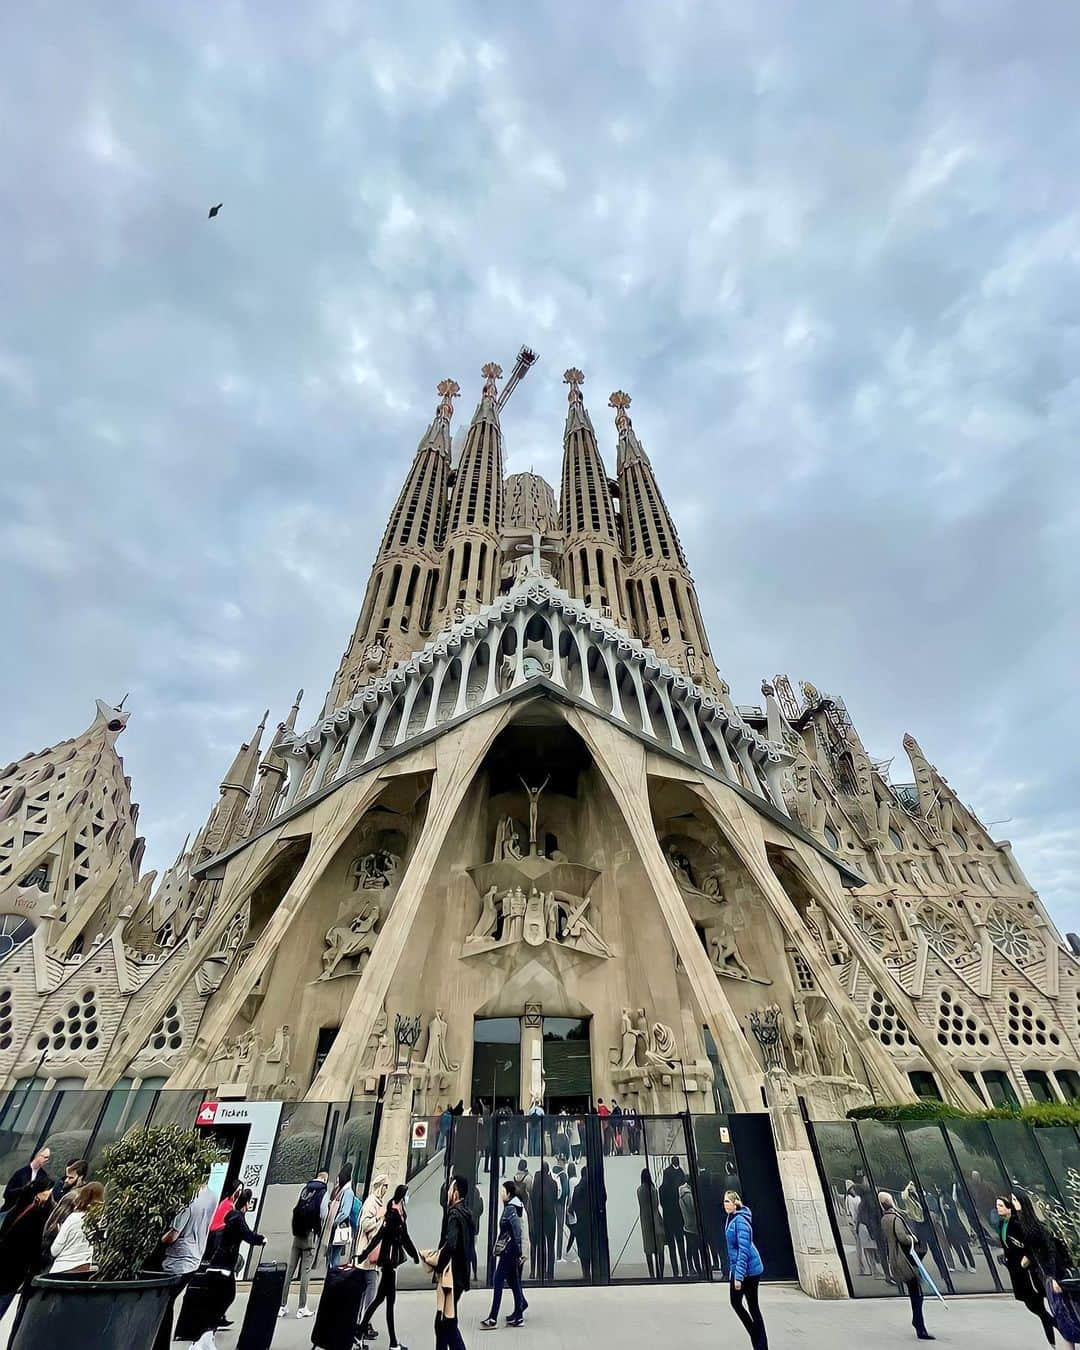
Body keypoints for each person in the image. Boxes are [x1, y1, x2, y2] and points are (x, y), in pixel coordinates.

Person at [194, 1187, 265, 1349]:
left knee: (219, 1299)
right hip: (224, 1266)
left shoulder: (231, 1215)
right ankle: (206, 1335)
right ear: (246, 1203)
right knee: (226, 1297)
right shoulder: (238, 1218)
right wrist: (262, 1239)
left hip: (217, 1263)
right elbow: (249, 1236)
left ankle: (205, 1336)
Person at [154, 1177, 218, 1350]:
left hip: (178, 1260)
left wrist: (157, 1240)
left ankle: (160, 1344)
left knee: (164, 1304)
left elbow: (172, 1235)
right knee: (169, 1302)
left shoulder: (188, 1201)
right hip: (196, 1255)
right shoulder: (212, 1196)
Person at [357, 1183, 420, 1350]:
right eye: (406, 1195)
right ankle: (392, 1343)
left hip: (389, 1264)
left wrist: (414, 1254)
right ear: (402, 1197)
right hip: (388, 1264)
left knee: (380, 1300)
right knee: (389, 1302)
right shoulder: (393, 1215)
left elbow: (404, 1237)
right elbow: (380, 1236)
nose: (408, 1198)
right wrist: (365, 1253)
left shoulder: (398, 1213)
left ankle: (360, 1330)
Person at [997, 1193, 1057, 1345]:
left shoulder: (1018, 1223)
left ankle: (1056, 1330)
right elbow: (1007, 1244)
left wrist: (1027, 1257)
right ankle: (1054, 1330)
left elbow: (1033, 1243)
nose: (997, 1208)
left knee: (1037, 1305)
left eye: (1001, 1205)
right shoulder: (1002, 1224)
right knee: (1034, 1307)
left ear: (1009, 1208)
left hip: (1026, 1270)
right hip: (1015, 1268)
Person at [879, 1190, 933, 1341]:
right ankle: (919, 1326)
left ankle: (918, 1322)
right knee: (917, 1293)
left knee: (914, 1290)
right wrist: (913, 1238)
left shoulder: (884, 1219)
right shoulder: (895, 1219)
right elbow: (902, 1238)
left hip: (895, 1259)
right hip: (904, 1259)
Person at [0, 1175, 55, 1319]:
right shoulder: (36, 1216)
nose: (49, 1194)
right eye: (48, 1191)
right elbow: (33, 1248)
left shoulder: (17, 1209)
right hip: (13, 1272)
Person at [280, 1168, 329, 1320]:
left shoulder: (305, 1189)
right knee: (305, 1273)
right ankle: (302, 1307)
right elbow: (323, 1213)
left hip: (298, 1234)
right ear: (325, 1179)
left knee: (290, 1270)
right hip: (310, 1235)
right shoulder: (323, 1193)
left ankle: (282, 1305)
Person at [434, 1175, 475, 1350]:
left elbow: (451, 1244)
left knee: (446, 1322)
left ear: (456, 1193)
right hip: (460, 1275)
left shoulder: (454, 1215)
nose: (448, 1192)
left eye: (450, 1189)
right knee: (444, 1321)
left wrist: (438, 1263)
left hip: (451, 1275)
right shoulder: (467, 1213)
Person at [481, 1180, 527, 1328]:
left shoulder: (511, 1208)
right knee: (514, 1282)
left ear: (508, 1193)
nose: (501, 1194)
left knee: (498, 1279)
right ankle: (519, 1314)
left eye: (502, 1191)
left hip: (509, 1251)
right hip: (512, 1251)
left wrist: (519, 1250)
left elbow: (517, 1230)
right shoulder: (514, 1206)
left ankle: (493, 1318)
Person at [724, 1191, 767, 1349]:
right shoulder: (731, 1218)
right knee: (748, 1305)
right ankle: (759, 1341)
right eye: (724, 1202)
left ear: (736, 1203)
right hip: (743, 1269)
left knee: (744, 1304)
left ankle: (758, 1339)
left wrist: (738, 1276)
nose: (726, 1204)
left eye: (728, 1201)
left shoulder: (740, 1221)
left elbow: (744, 1250)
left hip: (748, 1271)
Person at [355, 1174, 390, 1340]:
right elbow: (365, 1224)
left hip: (369, 1256)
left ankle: (360, 1323)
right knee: (369, 1292)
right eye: (385, 1186)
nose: (386, 1190)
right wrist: (379, 1217)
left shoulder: (376, 1202)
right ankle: (364, 1324)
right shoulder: (371, 1203)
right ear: (380, 1186)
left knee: (365, 1292)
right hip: (368, 1256)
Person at [49, 1180, 103, 1275]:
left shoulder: (73, 1218)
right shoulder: (102, 1220)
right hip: (84, 1269)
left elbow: (54, 1250)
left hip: (62, 1270)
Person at [43, 1160, 90, 1249]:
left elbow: (58, 1220)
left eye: (71, 1178)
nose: (66, 1180)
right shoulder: (61, 1186)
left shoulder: (74, 1196)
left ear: (80, 1177)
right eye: (66, 1177)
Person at [937, 1184, 975, 1273]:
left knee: (964, 1246)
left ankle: (972, 1265)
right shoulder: (939, 1198)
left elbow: (955, 1211)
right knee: (957, 1248)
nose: (937, 1190)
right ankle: (964, 1264)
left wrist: (949, 1209)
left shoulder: (948, 1198)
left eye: (938, 1187)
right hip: (948, 1228)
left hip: (956, 1226)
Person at [659, 1157, 687, 1277]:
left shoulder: (662, 1189)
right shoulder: (678, 1186)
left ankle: (676, 1271)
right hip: (678, 1218)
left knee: (672, 1248)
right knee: (680, 1245)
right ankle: (684, 1270)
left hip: (668, 1219)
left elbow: (662, 1203)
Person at [530, 1162, 557, 1281]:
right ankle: (550, 1273)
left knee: (541, 1245)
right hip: (550, 1216)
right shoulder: (553, 1183)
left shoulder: (537, 1184)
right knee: (551, 1246)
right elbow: (555, 1199)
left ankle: (540, 1272)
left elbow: (532, 1199)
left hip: (539, 1217)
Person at [3, 1146, 51, 1213]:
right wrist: (23, 1189)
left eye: (48, 1158)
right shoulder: (21, 1173)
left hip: (26, 1212)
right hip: (10, 1209)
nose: (46, 1160)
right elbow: (6, 1193)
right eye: (45, 1157)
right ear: (37, 1155)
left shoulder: (44, 1176)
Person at [328, 1165, 357, 1270]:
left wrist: (334, 1222)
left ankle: (333, 1278)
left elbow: (345, 1212)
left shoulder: (348, 1192)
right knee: (332, 1254)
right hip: (335, 1227)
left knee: (335, 1255)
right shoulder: (342, 1191)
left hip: (338, 1228)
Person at [637, 1169, 665, 1279]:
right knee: (660, 1250)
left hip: (645, 1222)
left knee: (648, 1250)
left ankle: (652, 1274)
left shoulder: (639, 1190)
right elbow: (656, 1204)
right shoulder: (653, 1190)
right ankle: (660, 1274)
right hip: (656, 1220)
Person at [680, 1172, 702, 1276]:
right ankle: (697, 1268)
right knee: (694, 1248)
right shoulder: (688, 1194)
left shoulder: (682, 1192)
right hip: (692, 1225)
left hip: (687, 1224)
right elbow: (693, 1208)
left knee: (690, 1248)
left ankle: (692, 1267)